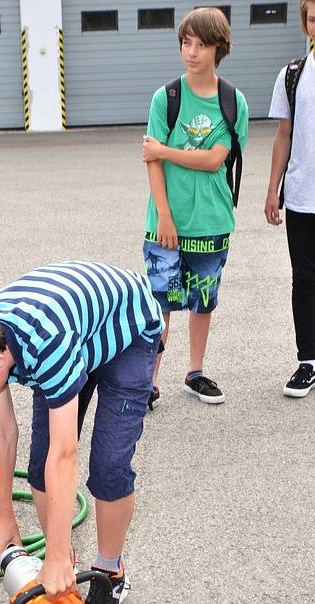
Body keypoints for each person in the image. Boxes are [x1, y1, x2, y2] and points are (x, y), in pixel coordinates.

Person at [0, 261, 163, 604]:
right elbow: (2, 431)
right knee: (39, 467)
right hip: (75, 328)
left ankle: (110, 571)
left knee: (109, 466)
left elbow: (64, 455)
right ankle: (64, 565)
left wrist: (57, 555)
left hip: (128, 331)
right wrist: (3, 517)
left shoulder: (46, 346)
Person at [142, 7, 248, 405]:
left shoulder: (232, 101)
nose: (191, 52)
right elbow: (151, 161)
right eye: (186, 43)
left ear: (219, 48)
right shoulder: (165, 97)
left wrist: (166, 149)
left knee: (203, 300)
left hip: (212, 220)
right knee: (160, 304)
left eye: (201, 44)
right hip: (165, 223)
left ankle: (196, 371)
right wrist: (164, 216)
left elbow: (215, 159)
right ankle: (149, 381)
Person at [264, 0, 315, 398]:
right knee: (305, 280)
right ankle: (308, 361)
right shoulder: (293, 74)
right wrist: (272, 189)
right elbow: (284, 133)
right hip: (301, 196)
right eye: (313, 18)